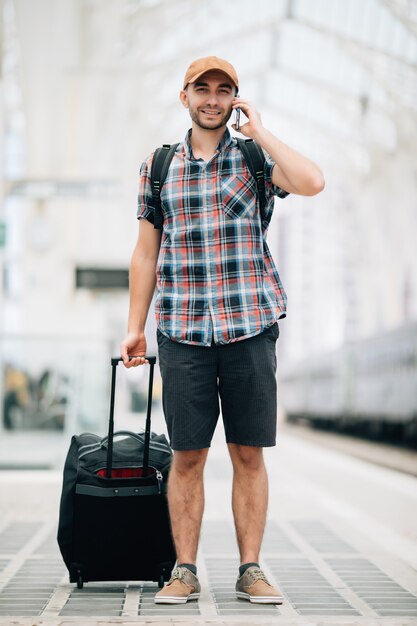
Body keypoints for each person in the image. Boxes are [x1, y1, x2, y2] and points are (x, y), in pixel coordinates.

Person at [121, 56, 324, 605]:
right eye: (201, 89)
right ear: (183, 95)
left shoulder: (255, 159)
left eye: (223, 90)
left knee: (248, 453)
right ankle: (184, 570)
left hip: (250, 326)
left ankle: (250, 568)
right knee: (187, 456)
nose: (212, 98)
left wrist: (261, 132)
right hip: (183, 330)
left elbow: (313, 181)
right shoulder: (158, 166)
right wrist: (134, 328)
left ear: (235, 98)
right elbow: (146, 253)